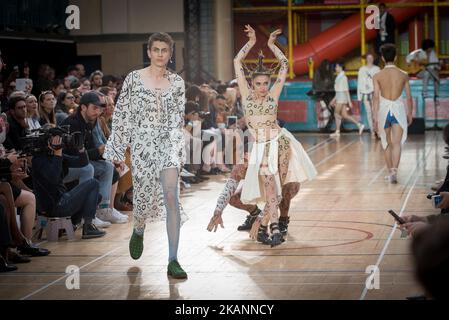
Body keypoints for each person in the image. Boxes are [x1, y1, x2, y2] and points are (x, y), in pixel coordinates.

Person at [104, 32, 188, 278]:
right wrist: (117, 149)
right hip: (142, 144)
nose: (161, 54)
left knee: (171, 196)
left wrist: (178, 151)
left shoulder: (177, 83)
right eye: (156, 49)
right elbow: (122, 115)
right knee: (142, 198)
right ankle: (138, 228)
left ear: (170, 54)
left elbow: (178, 118)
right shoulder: (133, 79)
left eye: (165, 50)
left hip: (168, 144)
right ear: (149, 52)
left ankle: (173, 260)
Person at [225, 25, 317, 247]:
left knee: (277, 186)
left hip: (280, 143)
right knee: (269, 185)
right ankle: (271, 226)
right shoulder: (246, 97)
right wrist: (251, 41)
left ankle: (274, 225)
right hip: (260, 147)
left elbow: (284, 65)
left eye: (266, 83)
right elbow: (237, 62)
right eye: (258, 83)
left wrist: (271, 45)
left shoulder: (273, 95)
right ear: (251, 84)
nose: (263, 87)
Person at [32, 135, 106, 239]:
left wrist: (81, 149)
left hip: (60, 201)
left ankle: (72, 223)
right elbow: (53, 177)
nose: (59, 141)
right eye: (56, 139)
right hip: (55, 205)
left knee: (96, 197)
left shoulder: (53, 155)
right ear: (48, 142)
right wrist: (57, 155)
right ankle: (88, 227)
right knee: (93, 183)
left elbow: (82, 163)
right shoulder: (39, 160)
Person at [373, 44, 413, 184]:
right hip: (398, 109)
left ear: (383, 58)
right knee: (397, 143)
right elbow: (409, 97)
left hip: (383, 110)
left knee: (386, 143)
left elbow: (376, 98)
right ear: (395, 57)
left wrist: (374, 117)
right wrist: (410, 114)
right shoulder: (403, 75)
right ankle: (395, 171)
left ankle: (390, 172)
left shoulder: (377, 75)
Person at [330, 61, 365, 138]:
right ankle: (359, 125)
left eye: (336, 67)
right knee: (345, 115)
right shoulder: (339, 76)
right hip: (339, 97)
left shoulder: (343, 77)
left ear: (340, 67)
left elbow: (346, 90)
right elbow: (338, 91)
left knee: (336, 113)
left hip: (342, 98)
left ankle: (337, 131)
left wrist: (349, 102)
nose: (335, 68)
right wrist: (334, 99)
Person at [357, 53, 381, 139]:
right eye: (368, 58)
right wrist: (359, 97)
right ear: (366, 59)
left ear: (374, 59)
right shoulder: (362, 69)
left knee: (376, 112)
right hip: (365, 93)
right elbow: (359, 83)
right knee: (369, 112)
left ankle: (378, 130)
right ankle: (372, 131)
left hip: (375, 93)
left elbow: (380, 82)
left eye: (371, 57)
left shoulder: (377, 69)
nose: (370, 59)